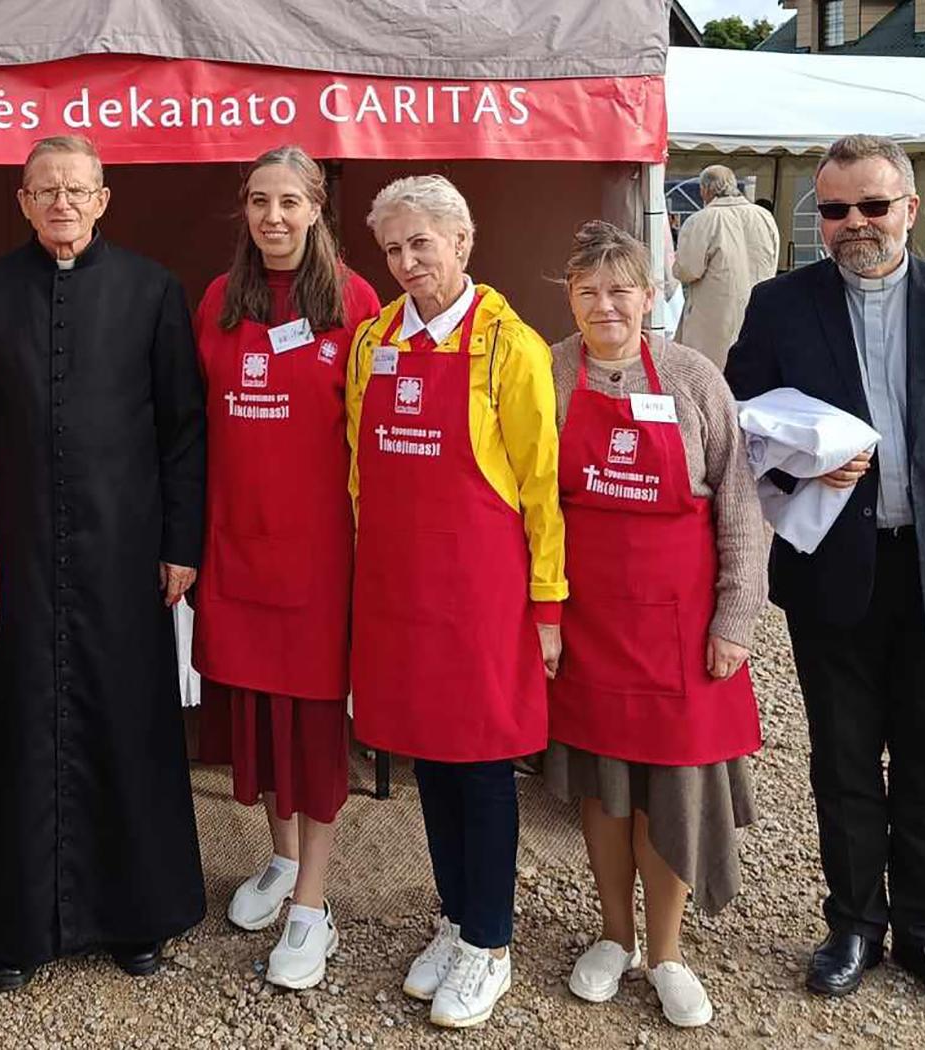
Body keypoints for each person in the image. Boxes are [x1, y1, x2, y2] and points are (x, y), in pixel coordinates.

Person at [726, 134, 925, 1015]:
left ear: (910, 207)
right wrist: (801, 470)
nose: (854, 224)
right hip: (835, 565)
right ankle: (854, 924)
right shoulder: (781, 304)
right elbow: (742, 427)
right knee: (840, 758)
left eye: (872, 206)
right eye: (833, 210)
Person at [0, 135, 207, 989]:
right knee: (14, 730)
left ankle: (138, 917)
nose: (62, 204)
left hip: (124, 553)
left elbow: (182, 428)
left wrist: (180, 543)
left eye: (77, 190)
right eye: (45, 191)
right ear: (22, 201)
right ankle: (12, 928)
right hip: (15, 557)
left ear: (103, 199)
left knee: (127, 726)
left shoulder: (151, 290)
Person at [347, 175, 565, 1029]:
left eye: (420, 246)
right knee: (427, 758)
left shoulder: (510, 347)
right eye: (394, 249)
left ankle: (491, 943)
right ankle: (453, 917)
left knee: (479, 765)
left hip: (481, 595)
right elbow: (362, 470)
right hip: (403, 590)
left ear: (462, 243)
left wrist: (548, 605)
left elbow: (543, 486)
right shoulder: (374, 341)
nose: (406, 264)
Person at [543, 220, 764, 1028]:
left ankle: (666, 951)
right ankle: (612, 937)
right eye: (588, 290)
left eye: (620, 289)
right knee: (604, 788)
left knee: (669, 787)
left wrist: (734, 618)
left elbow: (739, 505)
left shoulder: (692, 376)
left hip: (681, 622)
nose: (605, 304)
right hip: (589, 618)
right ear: (570, 296)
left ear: (650, 293)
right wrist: (544, 615)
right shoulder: (552, 371)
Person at [192, 145, 380, 989]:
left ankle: (313, 905)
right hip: (238, 548)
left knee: (310, 733)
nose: (274, 217)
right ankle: (278, 856)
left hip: (318, 559)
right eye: (260, 202)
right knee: (261, 722)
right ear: (245, 209)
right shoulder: (218, 301)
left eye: (291, 202)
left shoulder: (356, 301)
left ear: (317, 209)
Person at [672, 164, 779, 369]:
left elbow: (688, 270)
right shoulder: (764, 216)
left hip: (714, 318)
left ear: (705, 190)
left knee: (710, 376)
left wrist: (675, 266)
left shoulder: (701, 220)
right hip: (758, 311)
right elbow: (773, 263)